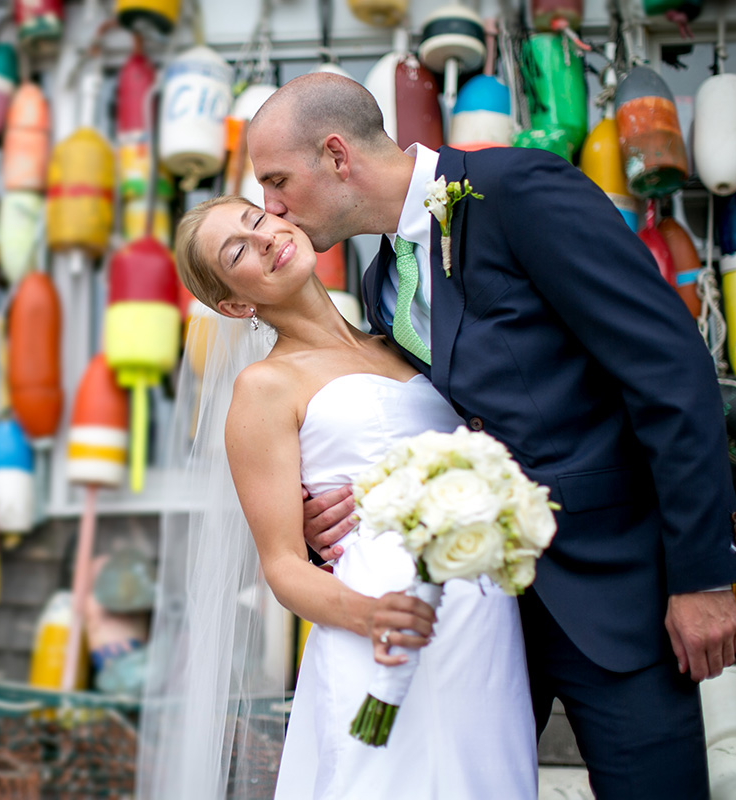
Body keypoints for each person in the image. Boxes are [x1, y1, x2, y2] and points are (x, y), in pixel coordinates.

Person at [244, 71, 736, 797]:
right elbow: (439, 425)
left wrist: (703, 573)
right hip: (476, 620)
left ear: (335, 155)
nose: (273, 206)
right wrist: (338, 500)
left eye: (277, 179)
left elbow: (670, 370)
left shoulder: (517, 190)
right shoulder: (382, 278)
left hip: (617, 589)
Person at [139, 193, 537, 799]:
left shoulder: (404, 336)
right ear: (234, 301)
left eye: (257, 219)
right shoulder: (265, 388)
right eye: (238, 249)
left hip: (479, 619)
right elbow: (282, 566)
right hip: (380, 626)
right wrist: (371, 614)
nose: (266, 238)